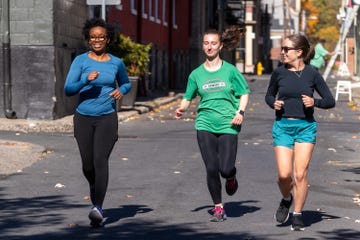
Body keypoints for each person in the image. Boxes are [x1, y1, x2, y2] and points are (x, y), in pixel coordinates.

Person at [175, 26, 250, 222]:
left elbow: (244, 92)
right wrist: (181, 108)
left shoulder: (230, 71)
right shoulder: (196, 74)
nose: (209, 47)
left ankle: (231, 177)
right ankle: (218, 207)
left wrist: (240, 112)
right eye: (206, 43)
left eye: (213, 43)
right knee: (211, 167)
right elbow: (188, 97)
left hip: (228, 123)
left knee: (225, 168)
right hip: (204, 123)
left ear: (220, 46)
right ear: (203, 46)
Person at [64, 18, 131, 227]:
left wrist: (122, 90)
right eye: (93, 37)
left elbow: (126, 83)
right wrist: (86, 80)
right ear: (88, 39)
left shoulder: (116, 62)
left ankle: (98, 208)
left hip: (107, 118)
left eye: (101, 36)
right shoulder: (81, 61)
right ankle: (95, 188)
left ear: (107, 39)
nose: (97, 40)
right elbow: (68, 90)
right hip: (83, 118)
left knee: (100, 160)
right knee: (88, 165)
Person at [265, 34, 335, 231]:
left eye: (287, 49)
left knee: (300, 174)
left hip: (305, 126)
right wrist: (274, 103)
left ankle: (297, 214)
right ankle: (287, 198)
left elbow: (330, 100)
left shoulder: (312, 74)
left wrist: (315, 102)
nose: (283, 52)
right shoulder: (279, 73)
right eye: (282, 48)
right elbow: (269, 96)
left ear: (299, 52)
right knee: (284, 175)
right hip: (283, 127)